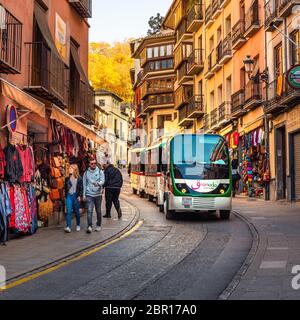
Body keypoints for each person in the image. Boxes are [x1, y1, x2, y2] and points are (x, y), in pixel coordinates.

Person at [83, 158, 105, 233]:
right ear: (89, 164)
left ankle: (98, 225)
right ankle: (89, 226)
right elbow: (84, 184)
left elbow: (103, 180)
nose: (93, 165)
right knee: (89, 211)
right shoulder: (86, 173)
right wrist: (84, 195)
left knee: (98, 211)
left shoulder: (100, 171)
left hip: (98, 194)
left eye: (95, 163)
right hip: (89, 194)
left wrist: (98, 183)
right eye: (92, 163)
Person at [64, 164, 83, 233]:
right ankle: (68, 227)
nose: (69, 169)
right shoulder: (67, 178)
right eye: (69, 168)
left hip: (75, 196)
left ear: (75, 169)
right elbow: (65, 188)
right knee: (68, 211)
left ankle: (78, 224)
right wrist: (65, 196)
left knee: (76, 212)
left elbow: (81, 188)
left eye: (71, 168)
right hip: (69, 196)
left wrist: (79, 196)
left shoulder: (79, 178)